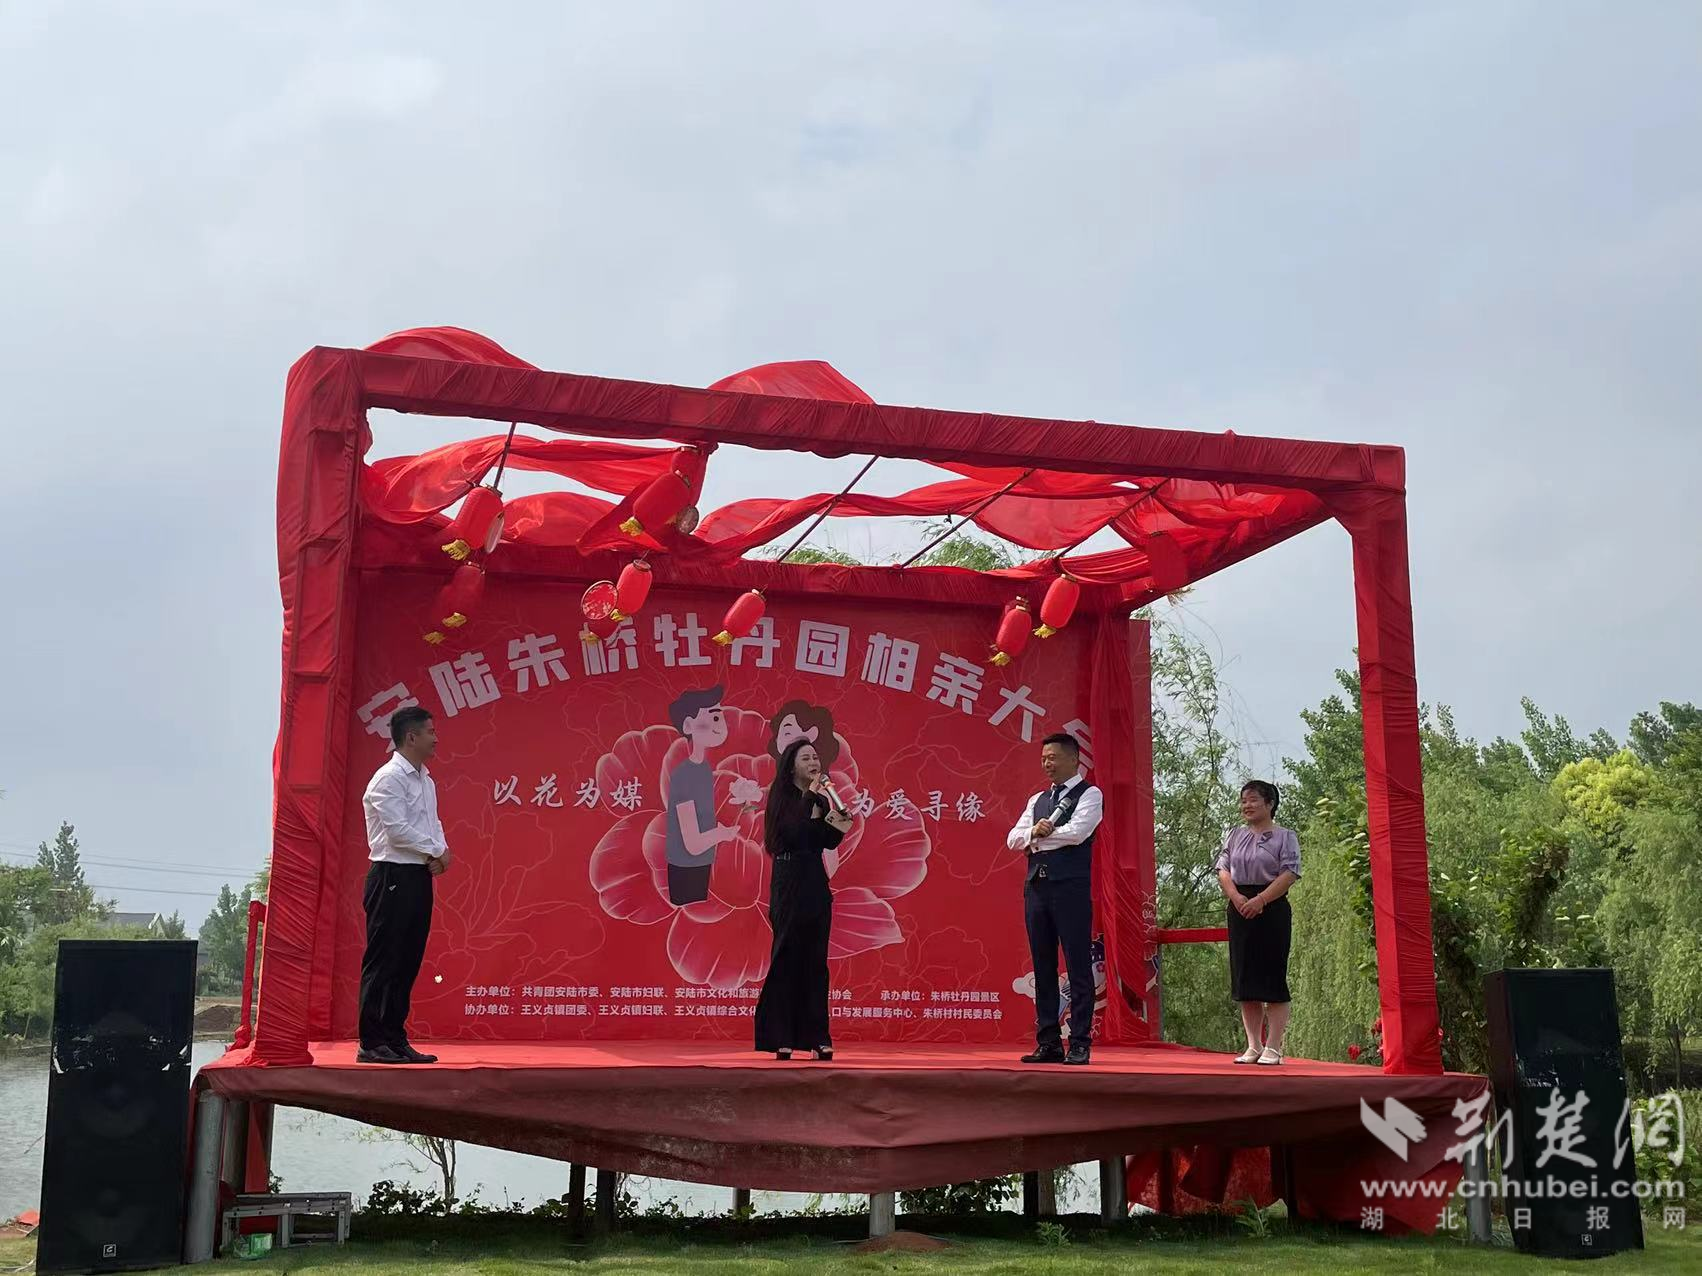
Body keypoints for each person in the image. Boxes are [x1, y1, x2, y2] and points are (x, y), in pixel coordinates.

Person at [358, 706, 451, 1065]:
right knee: (385, 960)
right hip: (391, 876)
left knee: (408, 960)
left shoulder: (426, 780)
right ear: (411, 737)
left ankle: (395, 1039)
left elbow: (433, 823)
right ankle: (371, 1041)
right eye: (430, 732)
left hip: (417, 876)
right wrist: (436, 851)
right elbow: (397, 831)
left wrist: (440, 852)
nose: (436, 738)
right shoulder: (388, 779)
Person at [753, 738, 854, 1061]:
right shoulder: (781, 797)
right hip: (788, 882)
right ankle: (781, 1036)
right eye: (806, 758)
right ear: (792, 766)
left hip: (814, 882)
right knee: (787, 958)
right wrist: (811, 795)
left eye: (815, 757)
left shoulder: (821, 800)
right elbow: (791, 833)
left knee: (815, 963)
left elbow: (825, 841)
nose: (813, 762)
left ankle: (817, 1038)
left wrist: (839, 819)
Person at [1006, 732, 1103, 1065]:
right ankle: (1048, 1041)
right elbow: (1013, 839)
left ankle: (1079, 1041)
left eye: (1053, 757)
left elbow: (1078, 832)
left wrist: (1038, 839)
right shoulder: (1037, 800)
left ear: (1073, 759)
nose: (1047, 763)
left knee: (1077, 965)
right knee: (1042, 965)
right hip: (1037, 888)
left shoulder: (1090, 794)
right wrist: (1033, 833)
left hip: (1070, 889)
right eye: (1044, 758)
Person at [1216, 780, 1301, 1066]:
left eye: (1253, 800)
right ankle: (1253, 1045)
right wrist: (1237, 897)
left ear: (1270, 804)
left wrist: (1261, 900)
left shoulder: (1285, 836)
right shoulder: (1234, 835)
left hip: (1272, 907)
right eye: (1244, 801)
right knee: (1245, 978)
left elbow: (1290, 873)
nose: (1247, 806)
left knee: (1272, 976)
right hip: (1239, 907)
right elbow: (1223, 869)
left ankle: (1273, 1047)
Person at [663, 685, 741, 905]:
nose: (720, 725)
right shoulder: (685, 774)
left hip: (701, 863)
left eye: (720, 717)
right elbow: (693, 843)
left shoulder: (703, 769)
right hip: (686, 867)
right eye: (714, 718)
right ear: (688, 725)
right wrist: (722, 834)